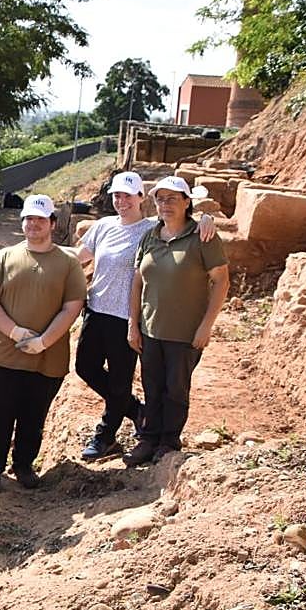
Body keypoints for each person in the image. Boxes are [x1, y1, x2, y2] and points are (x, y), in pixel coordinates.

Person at [73, 172, 217, 461]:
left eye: (128, 195)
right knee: (84, 367)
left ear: (141, 198)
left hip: (128, 316)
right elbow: (77, 258)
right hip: (97, 310)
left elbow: (181, 219)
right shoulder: (103, 226)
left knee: (119, 382)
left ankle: (106, 436)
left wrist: (205, 218)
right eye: (116, 195)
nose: (121, 201)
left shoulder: (151, 228)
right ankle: (135, 410)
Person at [0, 194, 86, 496]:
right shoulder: (5, 257)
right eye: (28, 219)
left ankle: (24, 465)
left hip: (46, 359)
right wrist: (15, 332)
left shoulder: (68, 262)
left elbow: (72, 305)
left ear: (52, 223)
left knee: (33, 416)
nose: (34, 224)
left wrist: (43, 341)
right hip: (3, 355)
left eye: (40, 219)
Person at [126, 177, 228, 466]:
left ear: (187, 202)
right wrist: (133, 324)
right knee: (152, 385)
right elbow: (137, 283)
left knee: (176, 388)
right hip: (150, 328)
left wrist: (206, 325)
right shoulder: (150, 236)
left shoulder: (202, 237)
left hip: (185, 333)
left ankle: (168, 441)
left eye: (173, 198)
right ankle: (148, 439)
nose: (166, 204)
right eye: (161, 199)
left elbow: (221, 281)